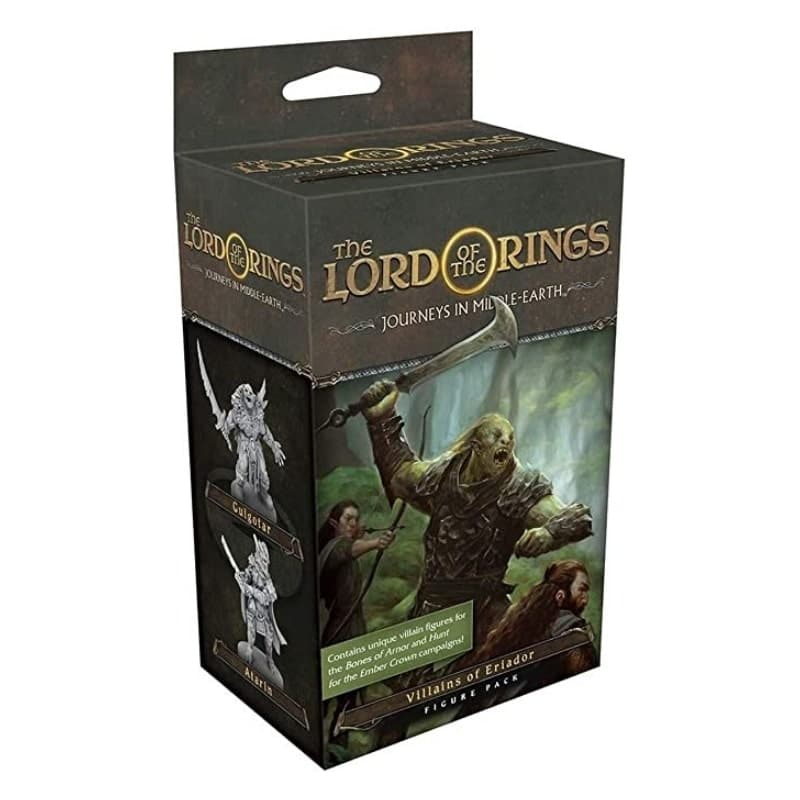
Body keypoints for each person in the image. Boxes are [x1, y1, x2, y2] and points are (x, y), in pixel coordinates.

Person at [360, 379, 593, 647]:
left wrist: (551, 531)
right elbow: (399, 473)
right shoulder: (441, 477)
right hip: (431, 610)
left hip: (486, 614)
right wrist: (382, 419)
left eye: (510, 438)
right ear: (476, 445)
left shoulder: (519, 487)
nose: (506, 441)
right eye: (497, 435)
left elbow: (579, 519)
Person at [318, 500, 394, 755]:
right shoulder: (333, 549)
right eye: (348, 519)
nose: (353, 524)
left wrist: (363, 535)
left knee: (348, 698)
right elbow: (348, 549)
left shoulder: (343, 545)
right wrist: (376, 542)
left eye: (356, 519)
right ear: (334, 523)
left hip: (352, 627)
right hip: (338, 631)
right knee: (327, 692)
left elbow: (351, 546)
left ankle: (337, 748)